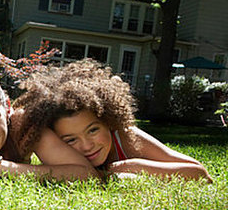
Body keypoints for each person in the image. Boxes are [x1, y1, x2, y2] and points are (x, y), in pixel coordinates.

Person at [15, 59, 212, 182]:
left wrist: (131, 166)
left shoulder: (126, 137)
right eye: (70, 140)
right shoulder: (56, 151)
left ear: (108, 121)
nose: (87, 145)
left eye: (92, 130)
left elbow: (200, 174)